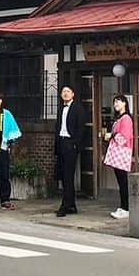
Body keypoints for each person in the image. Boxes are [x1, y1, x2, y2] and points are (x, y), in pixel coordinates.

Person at [54, 84, 85, 217]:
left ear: (73, 94)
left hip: (70, 143)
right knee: (63, 175)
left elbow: (81, 128)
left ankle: (65, 205)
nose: (65, 94)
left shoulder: (78, 108)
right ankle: (71, 204)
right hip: (61, 142)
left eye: (68, 91)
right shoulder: (61, 108)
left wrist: (75, 144)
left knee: (68, 176)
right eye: (63, 91)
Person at [102, 94, 134, 219]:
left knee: (123, 181)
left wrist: (112, 136)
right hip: (118, 151)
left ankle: (126, 207)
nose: (116, 104)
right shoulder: (119, 118)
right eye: (114, 102)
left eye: (118, 102)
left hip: (122, 152)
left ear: (125, 103)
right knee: (121, 181)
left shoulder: (126, 118)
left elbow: (125, 136)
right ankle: (123, 206)